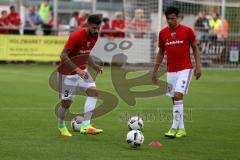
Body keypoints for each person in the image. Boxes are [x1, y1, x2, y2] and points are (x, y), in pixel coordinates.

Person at [152, 7, 201, 138]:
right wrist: (154, 71)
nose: (170, 21)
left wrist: (198, 66)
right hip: (171, 71)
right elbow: (161, 52)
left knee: (178, 96)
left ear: (178, 18)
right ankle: (182, 129)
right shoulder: (163, 33)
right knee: (175, 100)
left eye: (173, 18)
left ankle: (173, 128)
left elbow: (195, 48)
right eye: (168, 18)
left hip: (185, 69)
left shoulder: (187, 31)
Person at [57, 14, 103, 137]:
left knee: (94, 93)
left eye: (98, 28)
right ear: (87, 25)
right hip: (66, 74)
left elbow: (86, 54)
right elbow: (63, 55)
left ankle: (86, 125)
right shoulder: (76, 36)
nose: (96, 30)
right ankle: (61, 126)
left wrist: (94, 65)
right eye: (93, 28)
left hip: (82, 72)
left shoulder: (95, 36)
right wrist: (76, 69)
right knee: (66, 104)